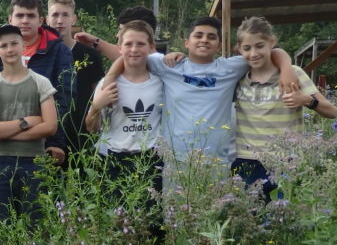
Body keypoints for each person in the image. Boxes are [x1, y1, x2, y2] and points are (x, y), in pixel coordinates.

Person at [92, 16, 297, 172]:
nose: (204, 40)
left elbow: (272, 51)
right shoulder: (169, 64)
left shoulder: (232, 67)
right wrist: (109, 77)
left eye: (211, 37)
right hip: (175, 161)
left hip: (217, 161)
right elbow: (130, 55)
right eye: (198, 35)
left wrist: (286, 67)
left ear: (219, 44)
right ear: (186, 42)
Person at [233, 16, 337, 201]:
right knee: (251, 217)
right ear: (239, 49)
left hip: (285, 160)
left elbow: (332, 112)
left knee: (284, 216)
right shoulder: (239, 77)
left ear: (271, 43)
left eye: (259, 46)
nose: (253, 53)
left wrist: (305, 100)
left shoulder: (293, 74)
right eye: (246, 48)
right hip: (246, 159)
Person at [84, 19, 165, 242]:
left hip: (150, 160)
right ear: (119, 48)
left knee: (152, 227)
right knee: (118, 229)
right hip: (114, 162)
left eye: (140, 44)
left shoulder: (161, 82)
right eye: (128, 44)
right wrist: (96, 105)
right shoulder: (107, 83)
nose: (134, 49)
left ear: (151, 47)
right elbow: (91, 128)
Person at [0, 0, 73, 165]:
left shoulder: (59, 51)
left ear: (41, 20)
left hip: (42, 142)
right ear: (10, 19)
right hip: (1, 144)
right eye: (19, 15)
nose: (25, 20)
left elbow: (64, 99)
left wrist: (56, 142)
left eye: (31, 15)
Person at [0, 25, 59, 222]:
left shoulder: (41, 83)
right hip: (1, 162)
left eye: (14, 43)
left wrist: (4, 132)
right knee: (2, 224)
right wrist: (26, 122)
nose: (10, 49)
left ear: (24, 45)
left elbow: (50, 126)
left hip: (34, 162)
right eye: (3, 46)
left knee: (35, 224)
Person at [46, 0, 104, 159]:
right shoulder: (42, 56)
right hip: (51, 137)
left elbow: (97, 93)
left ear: (74, 19)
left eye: (65, 15)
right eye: (55, 15)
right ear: (46, 19)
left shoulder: (90, 55)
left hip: (83, 135)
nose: (60, 20)